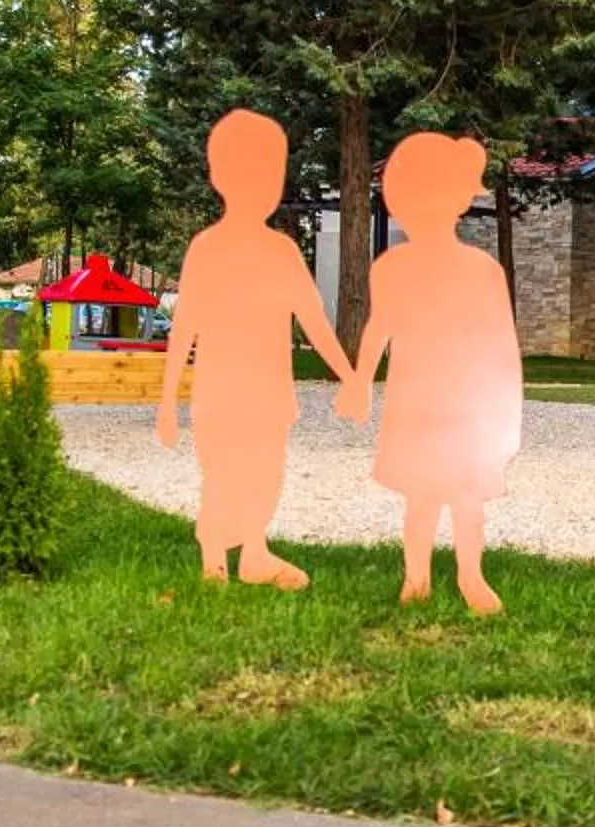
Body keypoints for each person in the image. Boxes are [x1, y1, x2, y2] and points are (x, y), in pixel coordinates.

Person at [158, 109, 358, 590]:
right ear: (220, 176)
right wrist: (167, 401)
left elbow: (313, 321)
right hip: (220, 393)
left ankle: (254, 552)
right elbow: (185, 327)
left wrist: (349, 377)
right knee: (224, 475)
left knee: (265, 475)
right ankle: (213, 562)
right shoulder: (206, 248)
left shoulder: (282, 252)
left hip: (268, 395)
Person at [339, 132, 522, 615]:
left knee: (465, 496)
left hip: (464, 401)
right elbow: (381, 327)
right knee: (421, 496)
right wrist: (359, 382)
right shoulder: (393, 267)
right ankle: (415, 578)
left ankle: (471, 576)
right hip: (415, 399)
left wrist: (505, 415)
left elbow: (501, 346)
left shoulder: (482, 271)